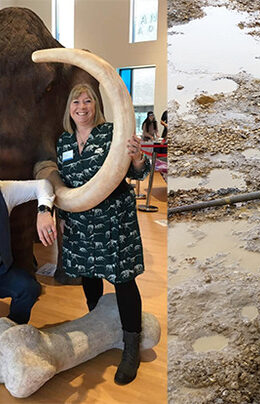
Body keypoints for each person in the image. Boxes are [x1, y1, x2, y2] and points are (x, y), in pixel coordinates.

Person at [56, 83, 150, 384]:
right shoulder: (63, 142)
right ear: (69, 109)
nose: (82, 107)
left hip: (113, 222)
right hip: (80, 224)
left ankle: (131, 346)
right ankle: (97, 323)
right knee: (89, 276)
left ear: (96, 106)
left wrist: (136, 158)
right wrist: (58, 212)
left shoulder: (112, 133)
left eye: (88, 101)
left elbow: (137, 172)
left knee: (123, 280)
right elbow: (61, 182)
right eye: (76, 102)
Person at [0, 179, 56, 324]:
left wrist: (44, 211)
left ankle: (13, 330)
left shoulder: (4, 190)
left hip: (2, 272)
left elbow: (43, 184)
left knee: (29, 288)